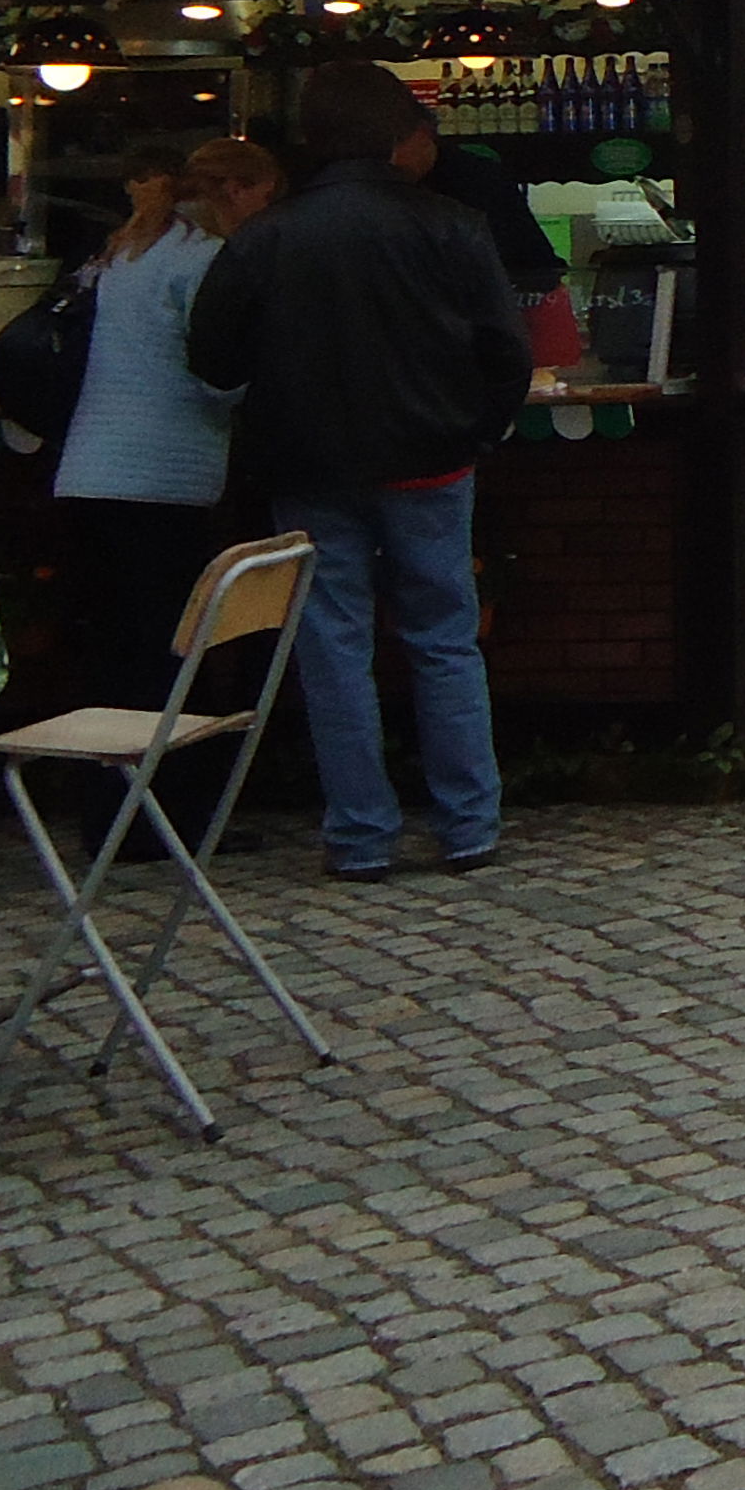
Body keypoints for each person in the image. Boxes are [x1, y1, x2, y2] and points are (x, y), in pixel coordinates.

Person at [189, 60, 530, 881]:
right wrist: (472, 432)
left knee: (331, 647)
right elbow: (506, 352)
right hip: (431, 463)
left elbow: (211, 355)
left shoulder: (267, 235)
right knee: (445, 640)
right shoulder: (451, 225)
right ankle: (467, 826)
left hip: (307, 467)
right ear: (394, 138)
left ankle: (361, 835)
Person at [55, 139, 245, 862]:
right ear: (223, 194)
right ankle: (170, 822)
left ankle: (108, 818)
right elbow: (215, 373)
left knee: (111, 659)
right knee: (169, 656)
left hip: (88, 469)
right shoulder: (199, 259)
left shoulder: (124, 251)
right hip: (164, 477)